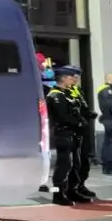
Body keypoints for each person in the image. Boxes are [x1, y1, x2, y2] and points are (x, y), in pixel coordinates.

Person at [46, 66, 92, 205]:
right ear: (63, 78)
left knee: (75, 164)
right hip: (63, 133)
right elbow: (63, 116)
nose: (73, 79)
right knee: (63, 165)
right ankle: (58, 194)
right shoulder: (55, 95)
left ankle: (72, 191)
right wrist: (79, 123)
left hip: (72, 133)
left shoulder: (67, 93)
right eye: (71, 77)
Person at [66, 68, 99, 197]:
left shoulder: (77, 90)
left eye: (77, 77)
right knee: (74, 161)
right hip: (72, 130)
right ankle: (71, 188)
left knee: (84, 159)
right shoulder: (63, 92)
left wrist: (89, 113)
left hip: (83, 128)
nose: (76, 79)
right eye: (73, 77)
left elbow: (83, 107)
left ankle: (80, 185)